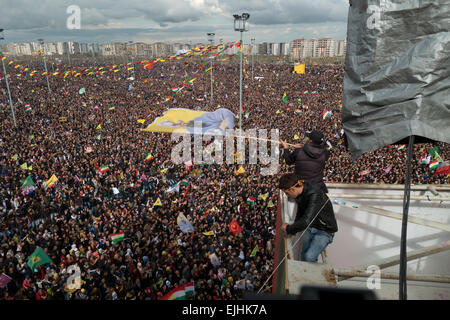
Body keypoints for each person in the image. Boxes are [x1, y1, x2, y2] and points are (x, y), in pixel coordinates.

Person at [279, 173, 338, 263]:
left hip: (325, 231)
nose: (287, 196)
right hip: (311, 226)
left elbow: (305, 221)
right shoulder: (302, 190)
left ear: (292, 189)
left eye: (287, 193)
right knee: (303, 254)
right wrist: (293, 230)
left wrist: (288, 229)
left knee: (309, 257)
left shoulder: (314, 194)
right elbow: (301, 212)